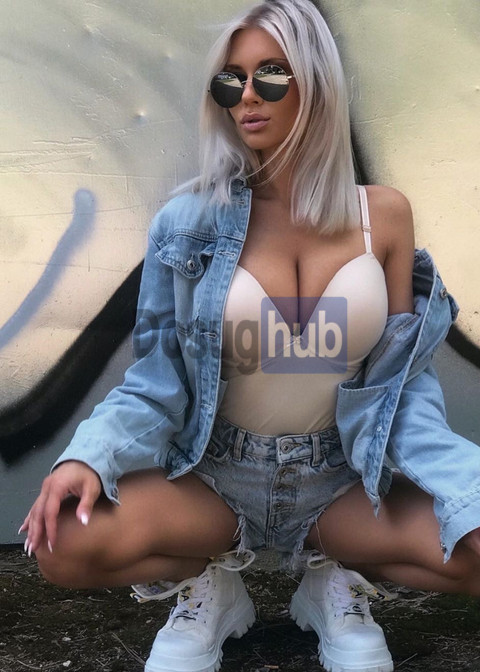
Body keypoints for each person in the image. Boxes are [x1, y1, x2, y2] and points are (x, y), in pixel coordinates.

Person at [19, 1, 480, 671]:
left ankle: (332, 580)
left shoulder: (383, 216)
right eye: (230, 81)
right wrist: (86, 459)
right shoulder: (187, 222)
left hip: (339, 482)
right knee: (62, 545)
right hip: (218, 479)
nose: (247, 97)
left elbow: (405, 390)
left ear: (316, 79)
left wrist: (467, 493)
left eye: (270, 73)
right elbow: (155, 383)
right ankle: (210, 585)